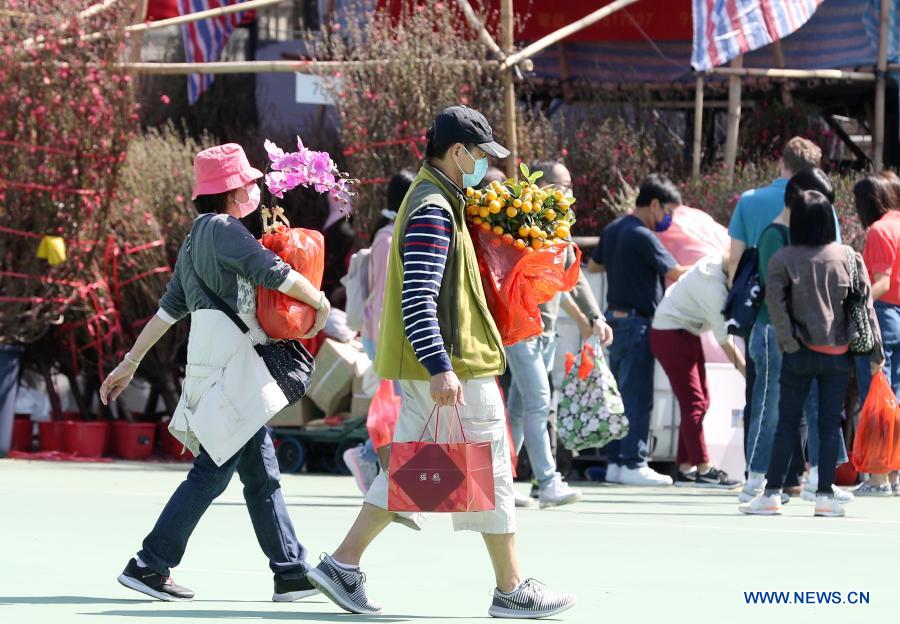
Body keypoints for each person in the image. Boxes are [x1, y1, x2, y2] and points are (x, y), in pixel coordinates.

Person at [306, 106, 576, 619]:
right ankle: (511, 589)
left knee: (418, 472)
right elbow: (418, 296)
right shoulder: (434, 208)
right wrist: (440, 367)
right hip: (453, 367)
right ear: (457, 152)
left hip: (438, 367)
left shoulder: (438, 198)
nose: (484, 164)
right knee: (492, 467)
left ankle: (342, 564)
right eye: (480, 154)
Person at [99, 144, 330, 602]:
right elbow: (273, 272)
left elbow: (168, 311)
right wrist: (318, 302)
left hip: (216, 365)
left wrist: (130, 362)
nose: (253, 190)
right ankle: (149, 564)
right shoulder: (224, 229)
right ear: (230, 190)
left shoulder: (193, 240)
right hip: (237, 368)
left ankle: (288, 570)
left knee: (260, 472)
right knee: (214, 470)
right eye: (247, 183)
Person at [740, 190, 884, 518]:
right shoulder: (849, 257)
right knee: (829, 425)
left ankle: (771, 493)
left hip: (799, 352)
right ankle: (824, 496)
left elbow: (775, 306)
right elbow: (865, 307)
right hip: (839, 354)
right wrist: (874, 351)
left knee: (787, 423)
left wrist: (789, 343)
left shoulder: (783, 259)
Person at [506, 159, 613, 509]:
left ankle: (500, 481)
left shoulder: (559, 226)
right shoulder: (525, 224)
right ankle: (548, 482)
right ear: (542, 187)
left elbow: (573, 276)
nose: (570, 191)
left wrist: (595, 316)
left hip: (545, 334)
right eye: (563, 185)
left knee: (519, 410)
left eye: (570, 185)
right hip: (522, 331)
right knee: (539, 402)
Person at [726, 137, 835, 477]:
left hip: (762, 314)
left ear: (781, 163)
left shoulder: (749, 201)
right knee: (806, 397)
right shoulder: (821, 203)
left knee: (761, 396)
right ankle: (793, 474)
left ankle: (757, 472)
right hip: (808, 317)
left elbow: (734, 262)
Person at [587, 174, 688, 486]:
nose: (668, 218)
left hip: (613, 322)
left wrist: (623, 266)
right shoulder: (643, 235)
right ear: (654, 204)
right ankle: (634, 462)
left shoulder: (614, 228)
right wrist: (711, 265)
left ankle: (616, 462)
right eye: (667, 211)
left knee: (617, 396)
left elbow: (594, 266)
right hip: (638, 323)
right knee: (638, 396)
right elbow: (675, 272)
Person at [343, 170, 416, 494]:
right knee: (399, 405)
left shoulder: (392, 235)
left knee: (399, 405)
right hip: (386, 338)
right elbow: (387, 298)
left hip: (388, 337)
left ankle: (372, 460)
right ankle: (365, 456)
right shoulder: (388, 240)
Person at [649, 253, 745, 488]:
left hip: (684, 331)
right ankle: (703, 468)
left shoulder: (718, 265)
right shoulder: (714, 289)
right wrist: (749, 375)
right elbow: (725, 340)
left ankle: (685, 467)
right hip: (672, 334)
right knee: (693, 403)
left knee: (701, 402)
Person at [852, 171, 900, 496]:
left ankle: (878, 478)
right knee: (895, 397)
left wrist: (854, 305)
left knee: (876, 398)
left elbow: (880, 282)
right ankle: (893, 474)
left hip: (882, 317)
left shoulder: (880, 230)